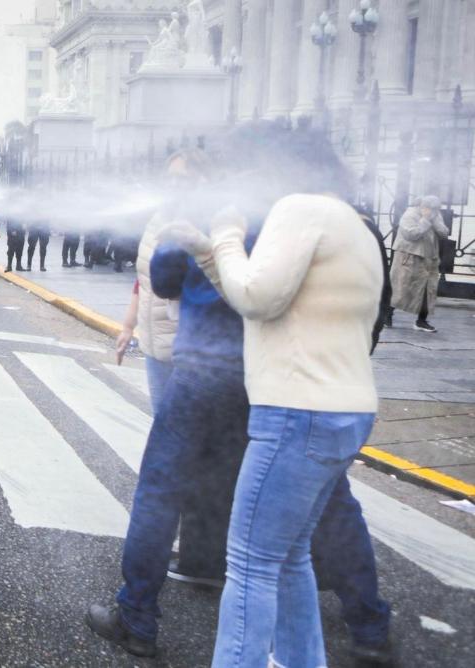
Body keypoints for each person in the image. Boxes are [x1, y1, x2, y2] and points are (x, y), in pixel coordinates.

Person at [166, 124, 384, 667]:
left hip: (295, 410)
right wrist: (208, 251)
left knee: (249, 564)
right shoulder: (347, 219)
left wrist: (223, 235)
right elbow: (261, 298)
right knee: (288, 559)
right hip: (342, 410)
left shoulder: (298, 208)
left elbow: (257, 297)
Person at [87, 148, 251, 658]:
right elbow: (147, 282)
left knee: (159, 488)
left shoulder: (195, 222)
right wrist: (130, 325)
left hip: (198, 366)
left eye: (182, 177)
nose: (172, 184)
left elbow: (163, 278)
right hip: (247, 372)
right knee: (234, 479)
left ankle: (137, 614)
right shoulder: (262, 216)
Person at [390, 195, 449, 333]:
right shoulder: (410, 214)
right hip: (409, 257)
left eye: (435, 209)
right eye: (429, 208)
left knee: (428, 290)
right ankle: (388, 314)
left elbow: (444, 233)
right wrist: (425, 220)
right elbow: (412, 234)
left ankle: (421, 321)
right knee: (401, 288)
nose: (432, 211)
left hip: (429, 258)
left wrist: (435, 221)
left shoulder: (435, 215)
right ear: (420, 206)